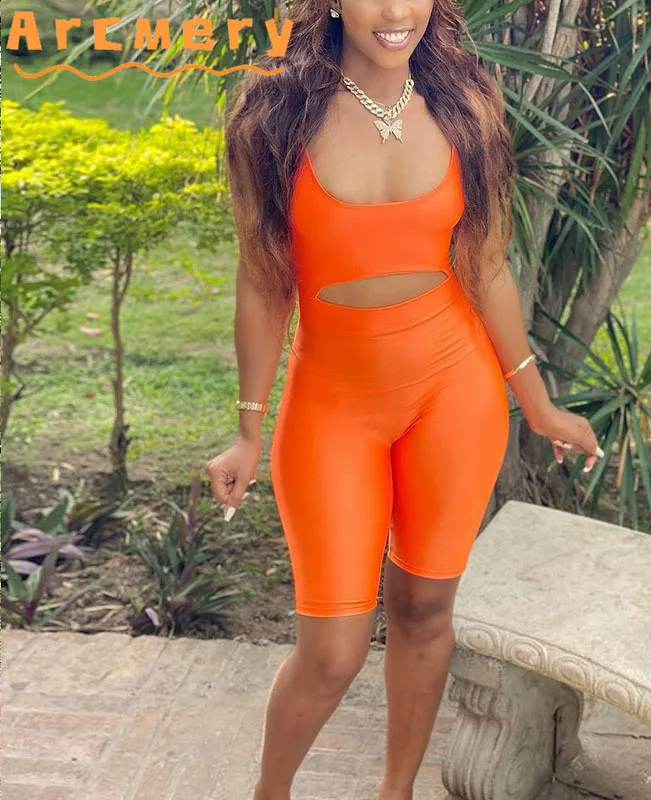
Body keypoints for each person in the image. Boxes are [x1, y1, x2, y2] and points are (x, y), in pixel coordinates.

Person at [205, 0, 601, 796]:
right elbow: (262, 280)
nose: (395, 12)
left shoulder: (465, 103)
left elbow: (486, 264)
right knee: (332, 652)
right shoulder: (274, 113)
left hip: (453, 393)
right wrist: (248, 431)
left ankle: (397, 791)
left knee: (424, 611)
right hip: (332, 404)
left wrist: (537, 404)